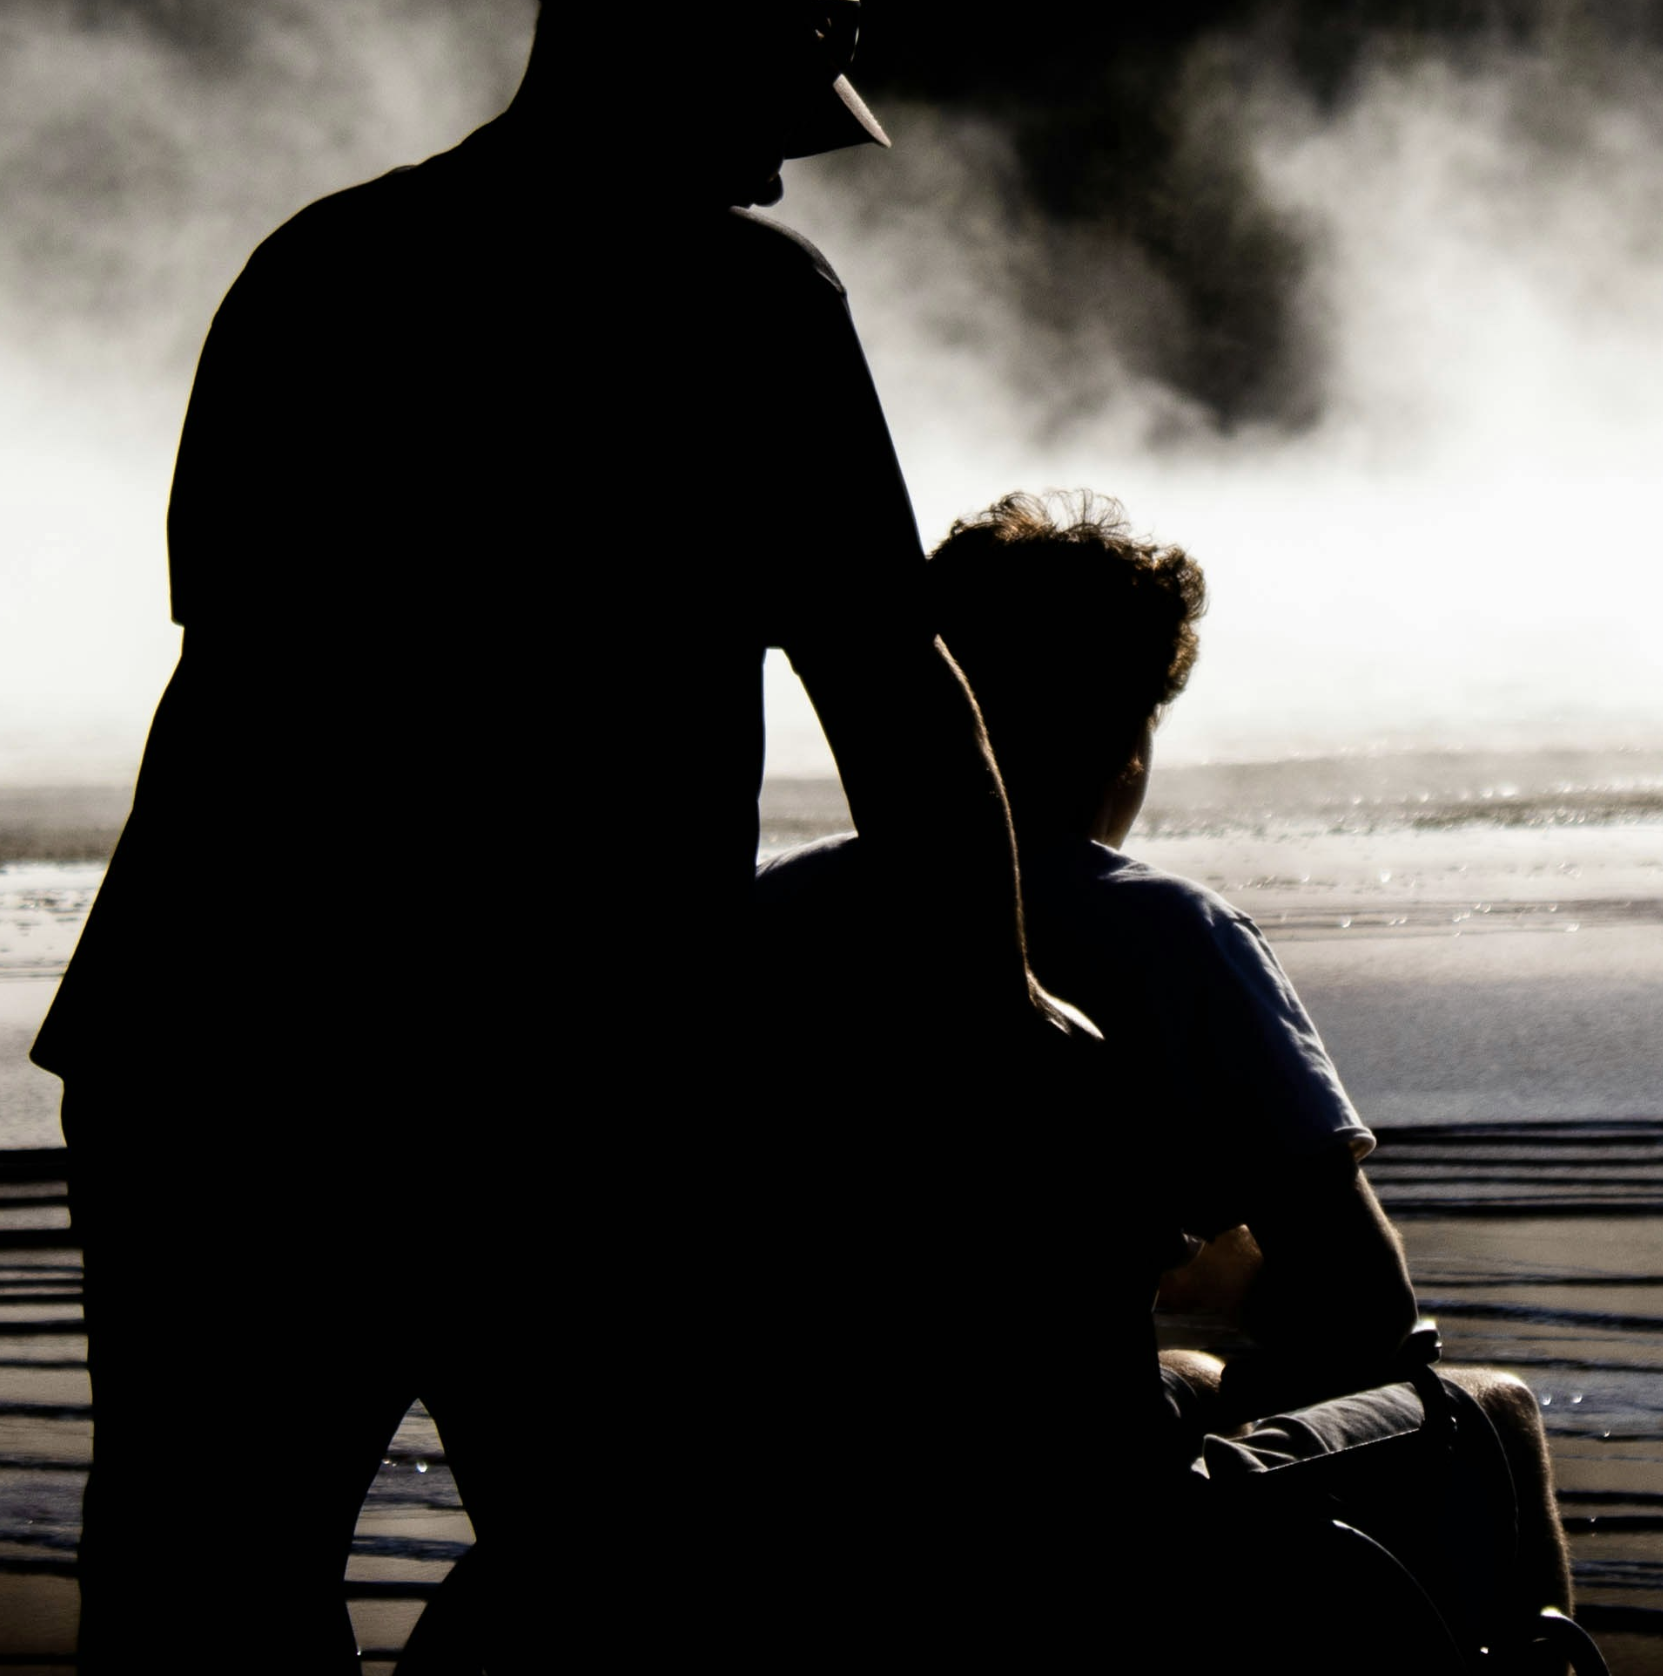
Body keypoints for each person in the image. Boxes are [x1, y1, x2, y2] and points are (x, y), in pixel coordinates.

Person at [35, 6, 1081, 1668]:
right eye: (762, 118)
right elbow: (893, 694)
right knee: (631, 1574)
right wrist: (999, 1004)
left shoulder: (320, 270)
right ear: (662, 64)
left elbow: (239, 656)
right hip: (553, 1083)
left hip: (207, 1055)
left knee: (204, 1585)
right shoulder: (744, 309)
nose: (773, 172)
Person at [754, 492, 1573, 1660]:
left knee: (1182, 1369)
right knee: (1490, 1411)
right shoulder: (1166, 933)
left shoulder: (778, 910)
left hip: (797, 1497)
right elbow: (1362, 1295)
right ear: (1127, 732)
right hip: (1079, 1528)